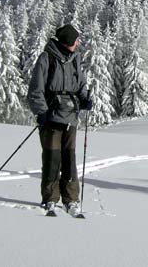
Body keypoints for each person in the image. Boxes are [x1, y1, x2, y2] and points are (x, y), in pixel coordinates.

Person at [27, 23, 93, 215]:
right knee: (52, 158)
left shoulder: (75, 59)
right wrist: (41, 112)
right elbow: (36, 88)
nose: (78, 42)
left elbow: (81, 84)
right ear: (67, 42)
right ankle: (50, 198)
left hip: (70, 117)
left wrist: (85, 99)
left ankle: (71, 199)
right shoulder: (46, 58)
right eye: (76, 40)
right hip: (51, 117)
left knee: (69, 158)